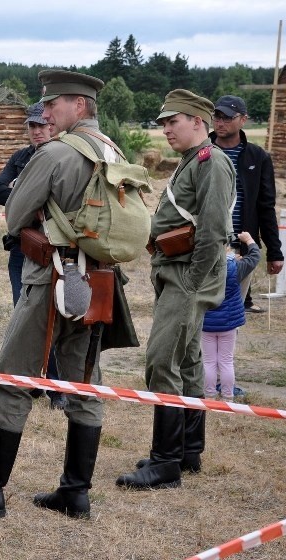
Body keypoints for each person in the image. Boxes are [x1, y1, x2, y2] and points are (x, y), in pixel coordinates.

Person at [0, 69, 117, 519]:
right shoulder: (113, 149)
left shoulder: (56, 152)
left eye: (53, 105)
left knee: (14, 377)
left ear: (79, 105)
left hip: (52, 280)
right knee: (82, 382)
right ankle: (76, 493)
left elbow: (15, 214)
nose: (47, 114)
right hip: (99, 283)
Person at [116, 89, 235, 491]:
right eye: (164, 123)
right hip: (177, 271)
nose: (166, 129)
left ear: (198, 122)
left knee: (161, 360)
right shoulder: (191, 161)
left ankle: (165, 463)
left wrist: (193, 279)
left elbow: (215, 229)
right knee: (186, 360)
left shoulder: (210, 162)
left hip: (188, 275)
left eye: (173, 122)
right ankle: (188, 450)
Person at [0, 101, 65, 410]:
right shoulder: (20, 157)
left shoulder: (64, 156)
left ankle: (59, 389)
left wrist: (29, 197)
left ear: (52, 126)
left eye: (41, 125)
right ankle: (32, 382)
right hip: (23, 246)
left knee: (55, 319)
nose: (36, 131)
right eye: (31, 126)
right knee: (25, 317)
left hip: (55, 250)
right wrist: (29, 198)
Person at [209, 95, 283, 313]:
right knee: (206, 310)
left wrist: (275, 252)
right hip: (207, 242)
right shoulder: (202, 153)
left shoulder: (258, 157)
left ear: (243, 120)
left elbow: (266, 206)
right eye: (217, 117)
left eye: (228, 118)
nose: (220, 123)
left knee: (233, 311)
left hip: (242, 244)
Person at [202, 232, 260, 401]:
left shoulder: (201, 267)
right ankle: (228, 397)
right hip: (229, 324)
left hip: (207, 323)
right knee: (226, 362)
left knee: (208, 362)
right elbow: (255, 257)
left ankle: (209, 396)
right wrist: (248, 240)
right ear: (227, 248)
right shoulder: (235, 267)